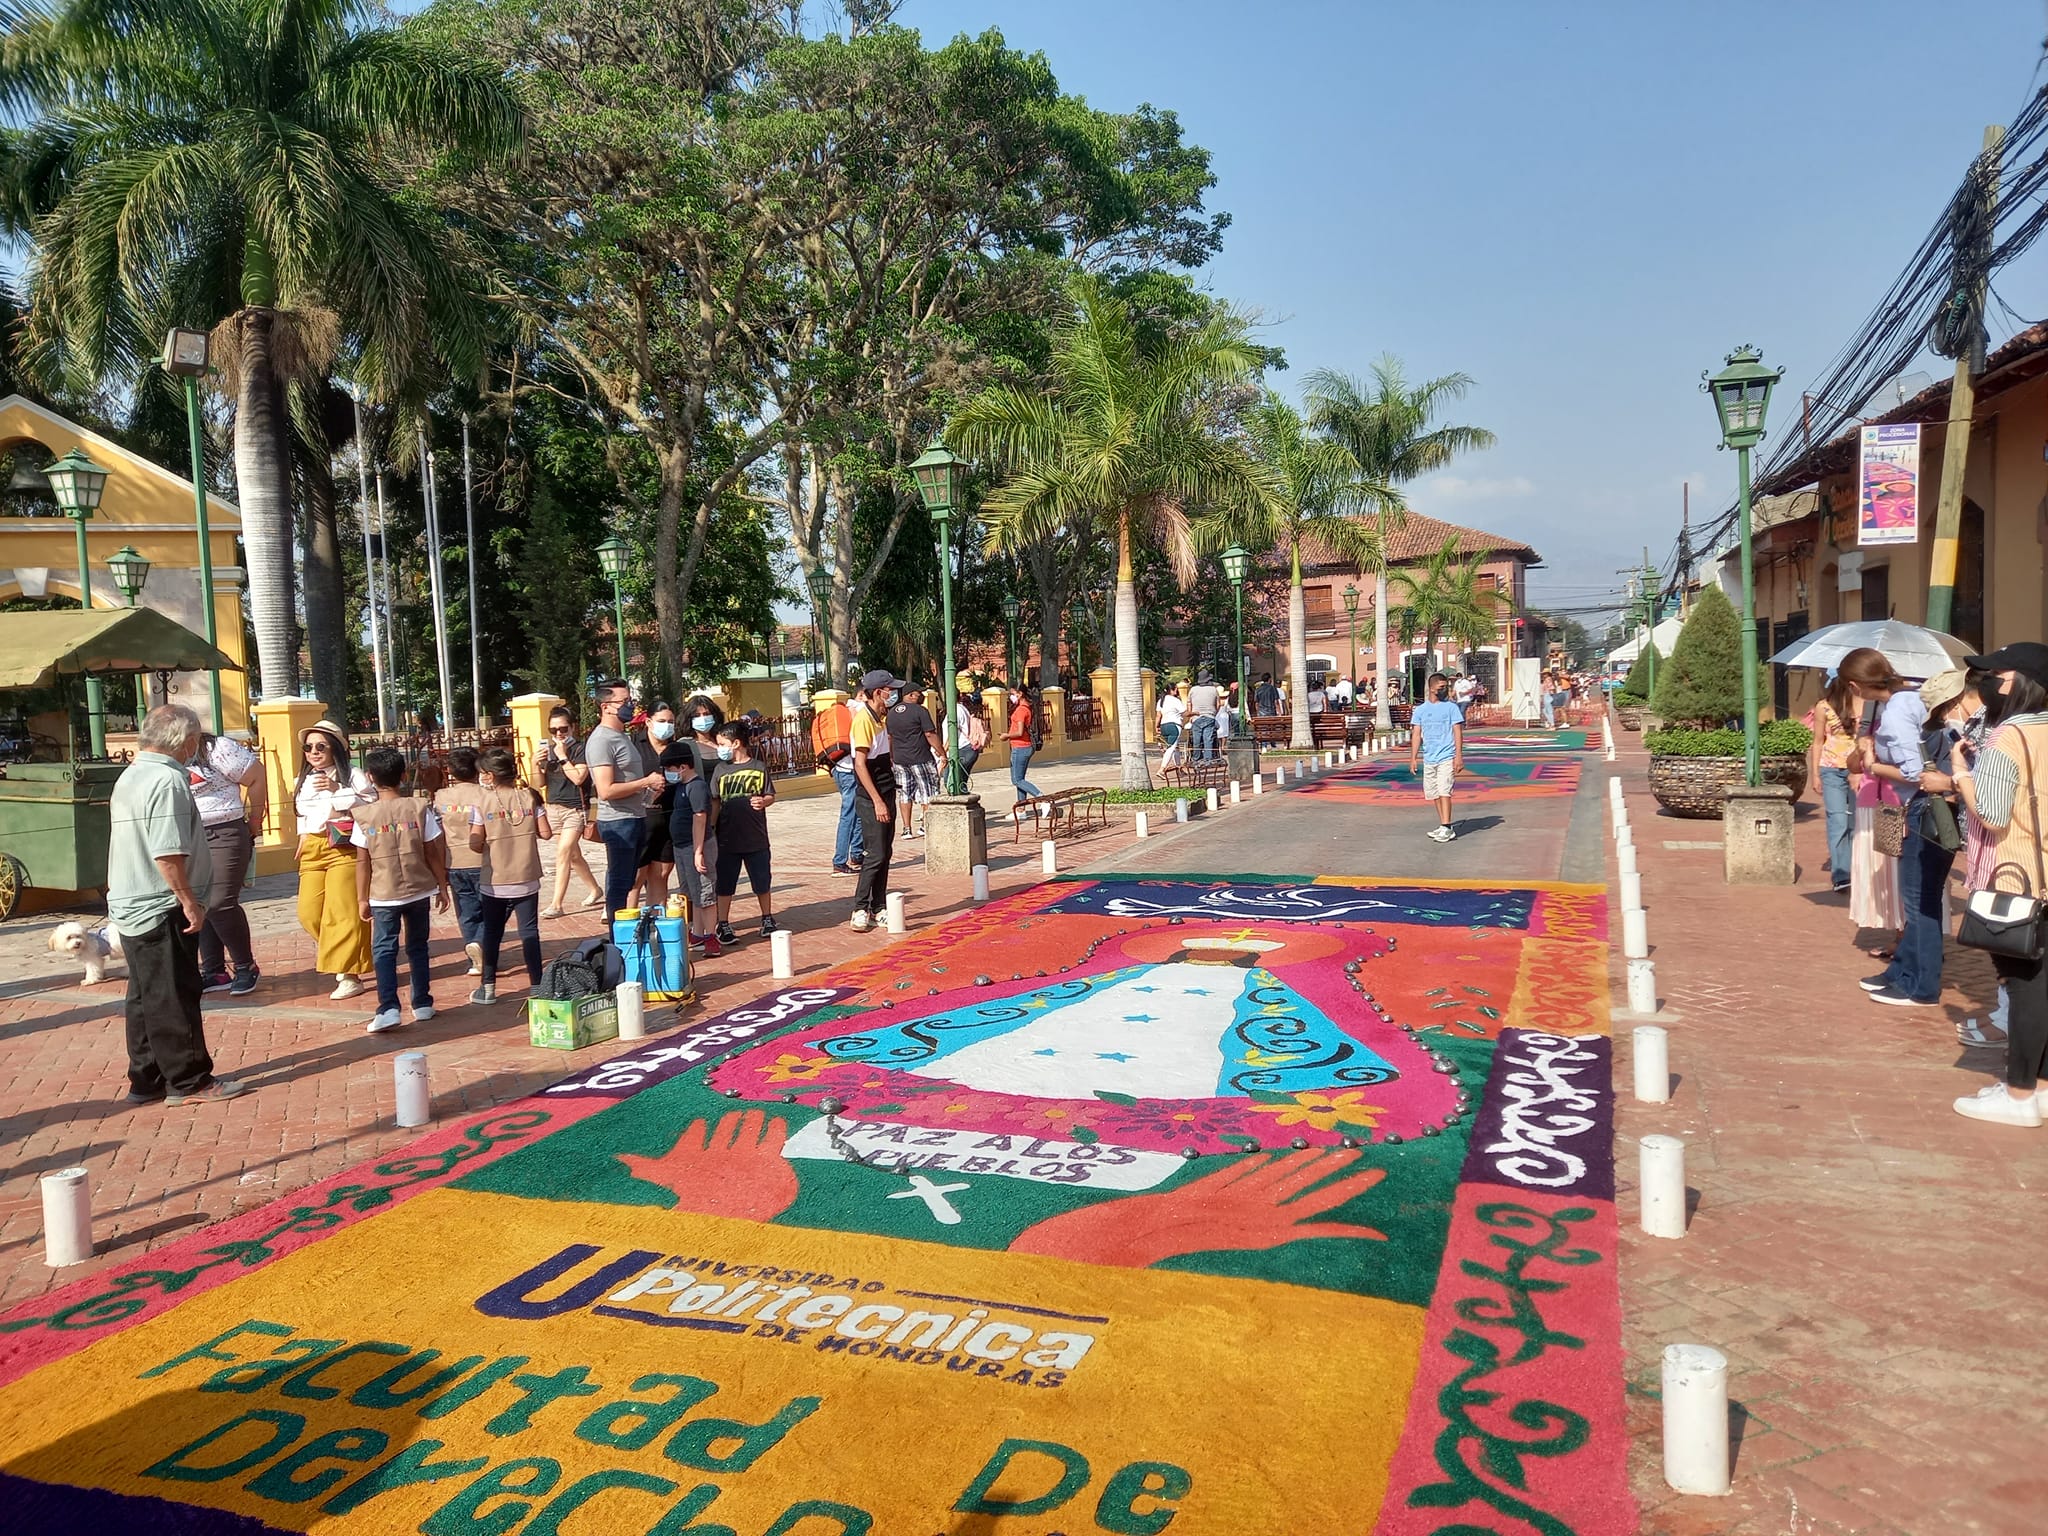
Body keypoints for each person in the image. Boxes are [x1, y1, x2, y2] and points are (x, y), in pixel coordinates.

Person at [109, 705, 246, 1106]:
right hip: (158, 902)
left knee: (146, 993)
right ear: (186, 742)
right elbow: (167, 852)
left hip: (132, 899)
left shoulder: (132, 774)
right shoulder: (167, 780)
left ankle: (147, 1076)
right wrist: (188, 901)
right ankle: (189, 1081)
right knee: (174, 992)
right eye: (195, 741)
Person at [1945, 643, 2048, 1124]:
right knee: (2043, 987)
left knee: (2024, 987)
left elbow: (1990, 811)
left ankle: (2020, 1095)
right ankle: (2040, 1088)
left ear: (2020, 682)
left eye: (1994, 676)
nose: (1985, 685)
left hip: (2017, 876)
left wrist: (1961, 772)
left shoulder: (2009, 737)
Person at [1846, 650, 1950, 1007]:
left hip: (1922, 808)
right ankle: (1903, 972)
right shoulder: (1910, 698)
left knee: (1919, 902)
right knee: (1919, 900)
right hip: (1923, 807)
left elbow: (1913, 771)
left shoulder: (1896, 711)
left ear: (1855, 685)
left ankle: (1921, 986)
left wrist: (1873, 764)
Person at [352, 745, 451, 1034]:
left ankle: (388, 1007)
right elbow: (433, 851)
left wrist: (361, 898)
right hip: (419, 888)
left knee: (384, 949)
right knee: (418, 947)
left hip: (384, 893)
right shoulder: (419, 807)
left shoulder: (364, 816)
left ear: (370, 777)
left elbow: (363, 862)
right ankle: (421, 1003)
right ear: (404, 775)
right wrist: (442, 886)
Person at [293, 721, 372, 1000]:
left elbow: (369, 807)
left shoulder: (353, 775)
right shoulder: (301, 780)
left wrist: (337, 787)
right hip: (313, 847)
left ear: (335, 748)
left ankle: (349, 973)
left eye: (320, 746)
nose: (313, 752)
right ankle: (344, 952)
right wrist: (303, 838)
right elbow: (302, 814)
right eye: (308, 747)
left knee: (343, 911)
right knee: (309, 911)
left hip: (344, 846)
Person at [467, 746, 552, 1006]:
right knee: (529, 932)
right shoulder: (530, 797)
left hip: (495, 880)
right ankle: (537, 986)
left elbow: (474, 841)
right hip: (527, 877)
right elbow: (546, 833)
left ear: (490, 775)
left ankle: (488, 987)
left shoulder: (481, 802)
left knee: (492, 933)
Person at [187, 727, 266, 996]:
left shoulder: (216, 749)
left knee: (220, 901)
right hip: (189, 836)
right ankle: (214, 971)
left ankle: (246, 966)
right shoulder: (165, 755)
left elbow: (256, 776)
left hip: (224, 830)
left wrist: (255, 820)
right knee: (201, 901)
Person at [586, 679, 663, 919]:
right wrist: (645, 782)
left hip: (636, 817)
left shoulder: (622, 737)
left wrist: (650, 791)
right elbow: (605, 790)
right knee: (620, 884)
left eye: (631, 701)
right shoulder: (602, 740)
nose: (629, 706)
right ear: (606, 707)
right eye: (624, 701)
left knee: (630, 880)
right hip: (619, 823)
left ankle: (626, 934)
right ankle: (616, 940)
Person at [709, 719, 777, 942]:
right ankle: (723, 923)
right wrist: (710, 827)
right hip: (727, 839)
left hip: (756, 838)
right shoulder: (720, 769)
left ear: (736, 743)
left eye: (722, 743)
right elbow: (715, 801)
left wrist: (764, 802)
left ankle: (767, 917)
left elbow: (770, 794)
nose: (720, 748)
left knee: (761, 880)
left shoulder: (758, 767)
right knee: (725, 883)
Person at [849, 671, 901, 932]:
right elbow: (860, 764)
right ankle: (860, 907)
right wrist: (877, 801)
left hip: (887, 789)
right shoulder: (863, 721)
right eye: (890, 690)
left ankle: (878, 906)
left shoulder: (881, 718)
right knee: (875, 853)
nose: (893, 694)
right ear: (878, 691)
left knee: (886, 852)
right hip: (872, 797)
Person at [535, 706, 600, 916]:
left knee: (563, 852)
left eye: (563, 729)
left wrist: (563, 756)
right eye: (553, 730)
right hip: (553, 807)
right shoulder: (549, 751)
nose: (558, 734)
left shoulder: (580, 749)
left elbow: (579, 778)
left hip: (575, 809)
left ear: (572, 727)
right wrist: (534, 764)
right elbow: (540, 784)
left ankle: (556, 904)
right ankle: (595, 889)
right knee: (572, 855)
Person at [1804, 670, 1860, 894]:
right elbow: (1818, 741)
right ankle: (1841, 874)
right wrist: (1815, 774)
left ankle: (1857, 868)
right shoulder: (1823, 707)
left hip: (1858, 770)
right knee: (1838, 821)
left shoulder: (1864, 704)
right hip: (1831, 769)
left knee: (1857, 822)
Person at [434, 746, 487, 976]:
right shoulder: (486, 795)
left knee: (466, 912)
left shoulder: (440, 797)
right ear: (478, 769)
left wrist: (438, 868)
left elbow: (436, 834)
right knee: (491, 911)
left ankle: (474, 958)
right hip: (484, 861)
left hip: (454, 862)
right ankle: (481, 945)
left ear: (450, 771)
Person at [662, 741, 715, 956]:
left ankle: (711, 936)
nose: (667, 774)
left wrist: (698, 851)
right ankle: (699, 932)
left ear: (682, 767)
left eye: (669, 769)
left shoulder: (697, 786)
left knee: (704, 891)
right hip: (681, 846)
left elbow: (700, 819)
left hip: (696, 846)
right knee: (691, 892)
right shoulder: (681, 786)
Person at [683, 694, 726, 932]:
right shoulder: (686, 745)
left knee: (724, 868)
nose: (702, 719)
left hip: (728, 812)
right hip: (702, 813)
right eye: (697, 715)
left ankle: (720, 920)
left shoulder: (724, 742)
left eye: (706, 714)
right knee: (701, 871)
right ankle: (699, 925)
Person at [811, 689, 865, 877]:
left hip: (838, 768)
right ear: (863, 694)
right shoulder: (860, 710)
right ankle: (840, 861)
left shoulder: (844, 709)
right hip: (850, 770)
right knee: (849, 814)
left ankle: (856, 854)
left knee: (856, 812)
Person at [1409, 672, 1465, 842]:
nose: (1444, 690)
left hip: (1446, 756)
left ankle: (1447, 827)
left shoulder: (1451, 708)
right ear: (1431, 687)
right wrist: (1413, 758)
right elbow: (1417, 734)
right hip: (1429, 757)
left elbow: (1457, 731)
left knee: (1444, 790)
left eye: (1446, 687)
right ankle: (1443, 824)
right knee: (1433, 792)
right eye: (1441, 687)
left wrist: (1458, 756)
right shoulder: (1421, 710)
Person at [636, 701, 680, 909]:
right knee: (636, 877)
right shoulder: (635, 747)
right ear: (648, 722)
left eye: (671, 722)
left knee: (661, 874)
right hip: (642, 819)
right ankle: (631, 929)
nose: (667, 726)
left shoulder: (678, 748)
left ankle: (656, 924)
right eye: (662, 721)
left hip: (670, 819)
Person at [887, 686, 943, 839]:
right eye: (919, 693)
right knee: (928, 791)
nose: (921, 696)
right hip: (920, 758)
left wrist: (892, 756)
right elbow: (930, 734)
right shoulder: (920, 711)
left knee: (904, 793)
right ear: (911, 695)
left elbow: (889, 737)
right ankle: (925, 826)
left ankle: (906, 828)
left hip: (899, 760)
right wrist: (941, 752)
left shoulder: (891, 713)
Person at [1007, 683, 1044, 799]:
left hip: (1020, 747)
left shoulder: (1021, 710)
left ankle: (1041, 797)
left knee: (1016, 780)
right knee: (1021, 779)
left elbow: (1019, 732)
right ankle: (1021, 808)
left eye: (1013, 694)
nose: (1011, 696)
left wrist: (1006, 736)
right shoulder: (1027, 707)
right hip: (1024, 746)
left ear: (1020, 694)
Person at [1187, 672, 1221, 763]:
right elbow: (1218, 704)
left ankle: (1196, 758)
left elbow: (1189, 703)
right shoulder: (1213, 690)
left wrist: (1191, 714)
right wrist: (1214, 713)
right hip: (1209, 716)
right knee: (1208, 739)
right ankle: (1208, 759)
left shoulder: (1193, 690)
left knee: (1196, 739)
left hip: (1196, 717)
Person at [1157, 680, 1186, 771]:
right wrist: (1195, 713)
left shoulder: (1161, 701)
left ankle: (1178, 768)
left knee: (1175, 748)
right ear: (1174, 690)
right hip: (1174, 726)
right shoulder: (1175, 700)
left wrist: (1156, 726)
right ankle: (1162, 769)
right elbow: (1184, 713)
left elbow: (1158, 715)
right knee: (1171, 748)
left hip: (1163, 726)